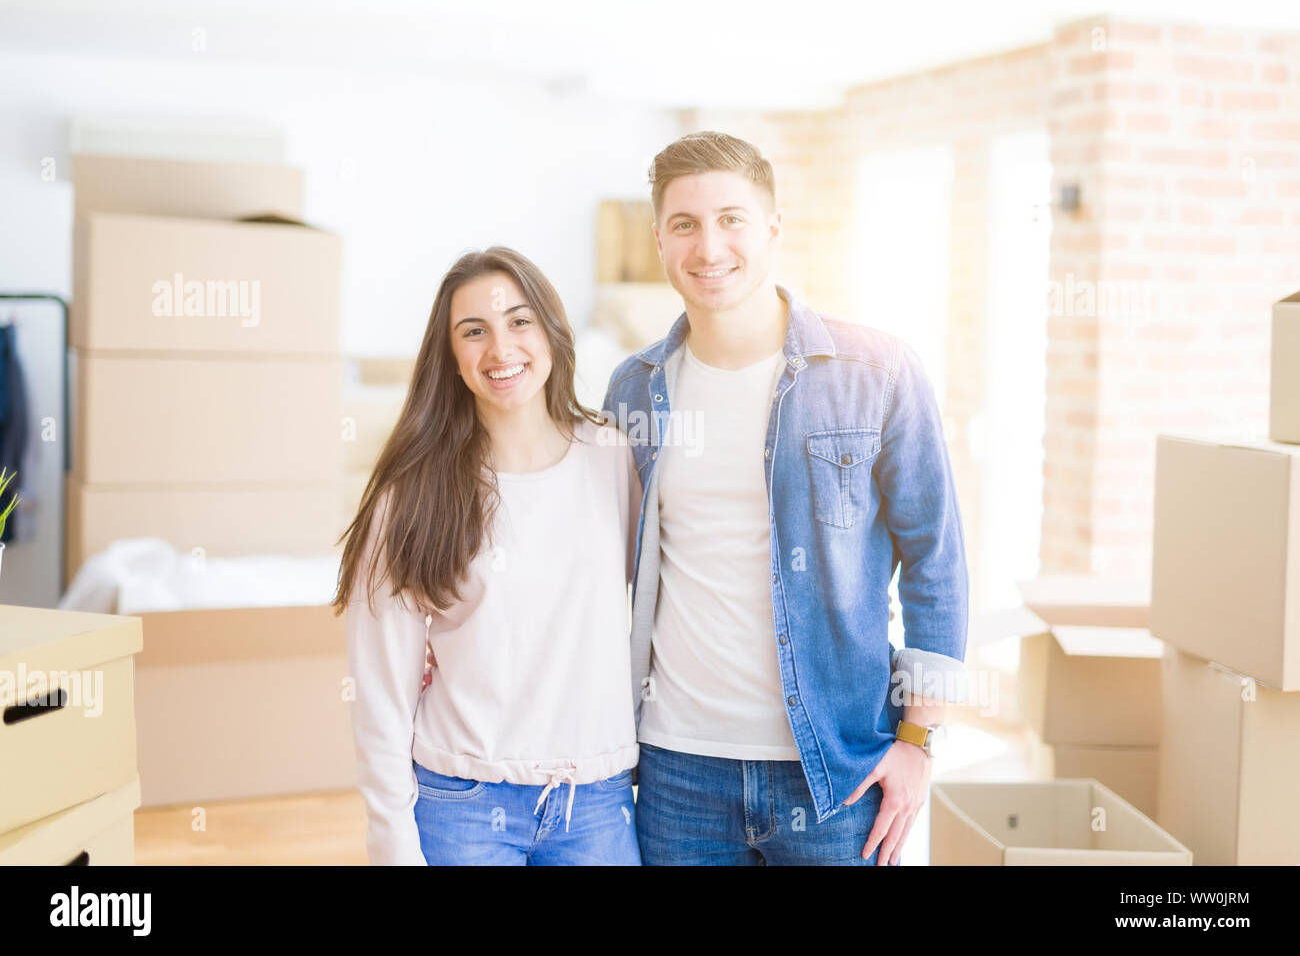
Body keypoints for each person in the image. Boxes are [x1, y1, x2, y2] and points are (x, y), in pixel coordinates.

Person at [602, 131, 969, 866]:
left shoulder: (877, 371)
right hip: (678, 769)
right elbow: (600, 563)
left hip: (836, 768)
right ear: (660, 241)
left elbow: (936, 560)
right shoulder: (635, 388)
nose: (710, 247)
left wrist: (919, 742)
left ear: (772, 228)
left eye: (732, 219)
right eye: (685, 224)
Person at [334, 246, 642, 866]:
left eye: (519, 322)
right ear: (450, 359)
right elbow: (381, 688)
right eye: (474, 332)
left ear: (552, 333)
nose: (501, 350)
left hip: (598, 805)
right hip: (462, 807)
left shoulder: (614, 458)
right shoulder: (414, 494)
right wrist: (392, 843)